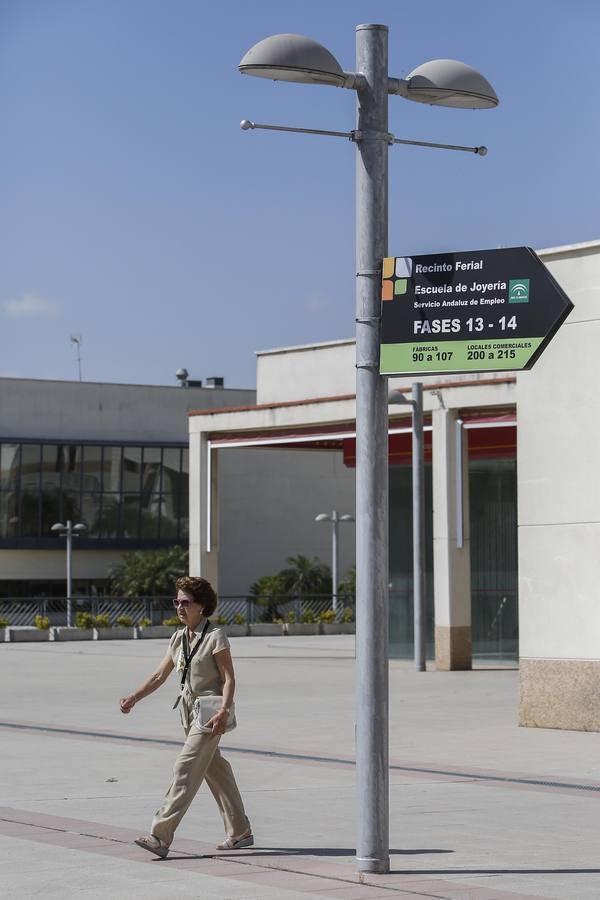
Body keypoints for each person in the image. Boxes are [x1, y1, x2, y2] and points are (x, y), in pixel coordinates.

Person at [119, 575, 252, 858]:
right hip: (189, 714)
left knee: (185, 768)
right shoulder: (179, 637)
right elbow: (159, 676)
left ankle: (160, 835)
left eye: (185, 602)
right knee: (216, 771)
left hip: (210, 715)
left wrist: (224, 710)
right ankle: (240, 831)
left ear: (202, 606)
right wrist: (134, 697)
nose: (179, 607)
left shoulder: (215, 636)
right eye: (176, 602)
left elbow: (229, 679)